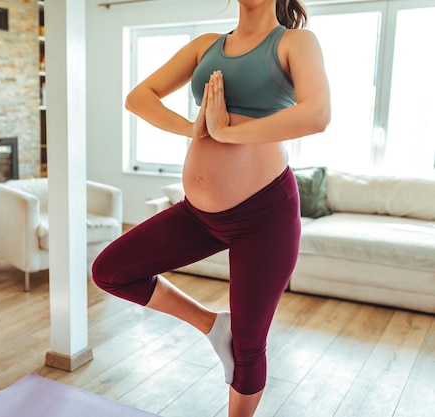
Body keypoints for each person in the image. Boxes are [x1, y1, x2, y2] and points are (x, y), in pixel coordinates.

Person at [91, 0, 330, 415]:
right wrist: (193, 128)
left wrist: (227, 132)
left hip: (265, 217)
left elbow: (317, 115)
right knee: (110, 271)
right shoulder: (206, 46)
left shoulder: (295, 42)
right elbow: (138, 97)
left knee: (249, 345)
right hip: (196, 214)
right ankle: (212, 324)